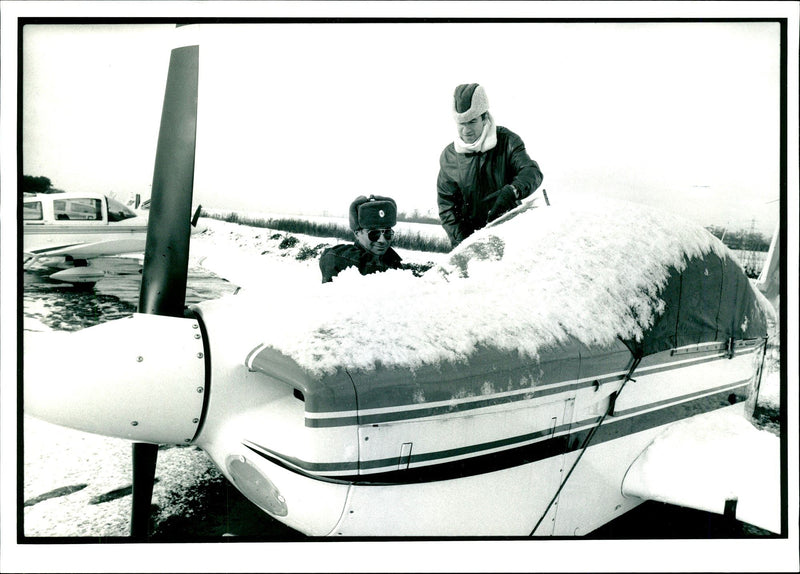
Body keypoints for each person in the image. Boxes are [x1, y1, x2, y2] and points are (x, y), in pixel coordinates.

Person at [437, 83, 544, 247]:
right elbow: (447, 207)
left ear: (484, 117)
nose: (466, 130)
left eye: (472, 121)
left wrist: (513, 191)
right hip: (468, 244)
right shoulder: (449, 156)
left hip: (509, 239)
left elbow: (531, 171)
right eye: (461, 124)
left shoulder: (507, 141)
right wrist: (464, 245)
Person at [319, 195, 404, 283]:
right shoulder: (344, 260)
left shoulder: (392, 261)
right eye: (374, 234)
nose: (382, 240)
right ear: (357, 234)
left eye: (387, 233)